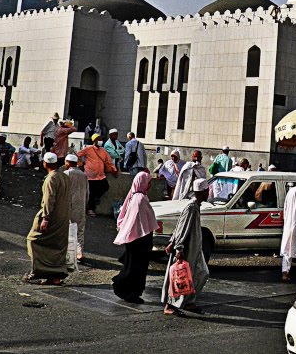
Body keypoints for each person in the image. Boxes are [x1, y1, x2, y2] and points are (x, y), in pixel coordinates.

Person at [162, 178, 210, 315]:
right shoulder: (191, 207)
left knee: (201, 273)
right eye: (206, 191)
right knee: (178, 277)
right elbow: (182, 227)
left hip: (195, 248)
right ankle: (169, 304)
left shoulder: (196, 206)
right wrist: (179, 247)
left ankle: (189, 302)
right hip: (187, 248)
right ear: (203, 192)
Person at [23, 152, 71, 285]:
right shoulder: (64, 177)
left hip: (52, 217)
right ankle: (55, 275)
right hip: (63, 217)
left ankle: (38, 271)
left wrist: (46, 218)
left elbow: (49, 200)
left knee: (33, 240)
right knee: (57, 245)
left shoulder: (51, 178)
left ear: (45, 164)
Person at [113, 171, 159, 303]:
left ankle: (130, 291)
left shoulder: (136, 196)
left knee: (132, 266)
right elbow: (139, 222)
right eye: (148, 182)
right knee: (135, 268)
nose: (149, 185)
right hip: (139, 240)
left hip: (136, 239)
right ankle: (128, 291)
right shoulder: (140, 199)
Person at [77, 133, 118, 213]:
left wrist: (114, 170)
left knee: (105, 186)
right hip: (90, 175)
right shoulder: (88, 149)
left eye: (101, 139)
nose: (100, 141)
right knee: (91, 192)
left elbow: (109, 161)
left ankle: (95, 199)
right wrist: (80, 164)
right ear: (94, 140)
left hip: (100, 175)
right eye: (99, 139)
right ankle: (90, 209)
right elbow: (78, 155)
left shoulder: (103, 150)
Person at [63, 153, 89, 268]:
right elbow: (87, 192)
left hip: (68, 205)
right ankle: (80, 253)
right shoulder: (83, 175)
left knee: (67, 228)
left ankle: (68, 253)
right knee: (80, 230)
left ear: (68, 163)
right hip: (81, 205)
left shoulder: (66, 174)